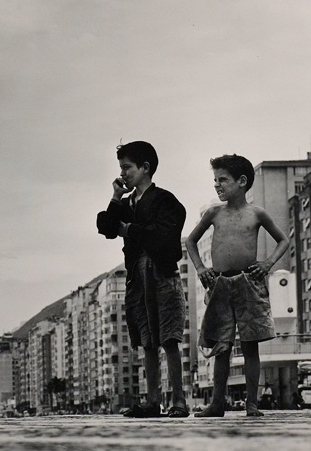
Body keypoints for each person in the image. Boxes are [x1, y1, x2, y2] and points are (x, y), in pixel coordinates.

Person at [186, 154, 289, 417]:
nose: (217, 185)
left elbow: (283, 240)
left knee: (251, 345)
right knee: (222, 346)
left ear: (242, 182)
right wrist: (200, 268)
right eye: (215, 180)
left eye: (223, 180)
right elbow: (190, 242)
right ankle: (217, 404)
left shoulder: (256, 213)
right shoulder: (214, 213)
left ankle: (251, 404)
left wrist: (267, 264)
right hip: (219, 283)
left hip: (248, 282)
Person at [96, 141, 189, 418]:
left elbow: (163, 235)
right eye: (121, 168)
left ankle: (179, 401)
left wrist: (130, 230)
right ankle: (153, 400)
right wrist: (115, 197)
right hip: (137, 275)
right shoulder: (126, 204)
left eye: (127, 167)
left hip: (161, 272)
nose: (123, 173)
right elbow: (107, 228)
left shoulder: (165, 200)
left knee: (169, 337)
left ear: (145, 167)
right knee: (147, 339)